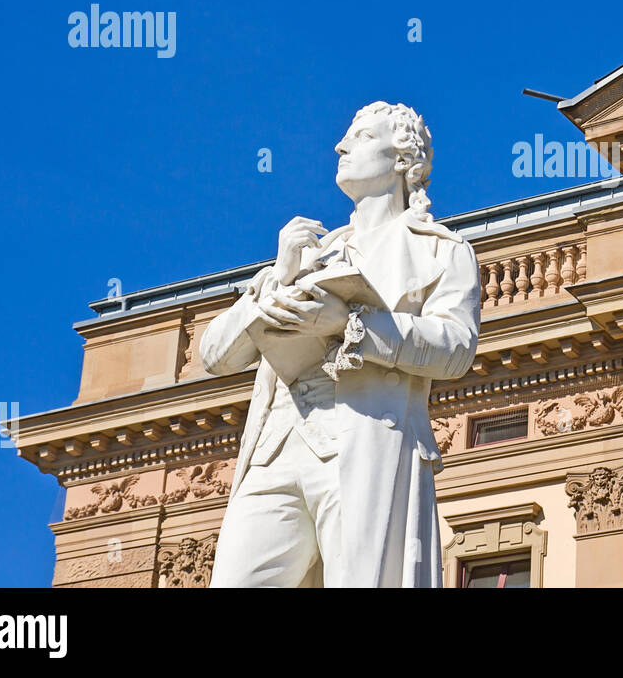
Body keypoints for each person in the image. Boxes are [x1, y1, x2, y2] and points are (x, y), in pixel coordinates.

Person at [202, 101, 481, 587]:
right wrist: (279, 274)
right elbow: (215, 355)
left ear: (401, 160)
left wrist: (352, 322)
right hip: (276, 449)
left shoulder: (440, 250)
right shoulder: (309, 254)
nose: (341, 145)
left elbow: (456, 347)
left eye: (362, 136)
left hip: (363, 441)